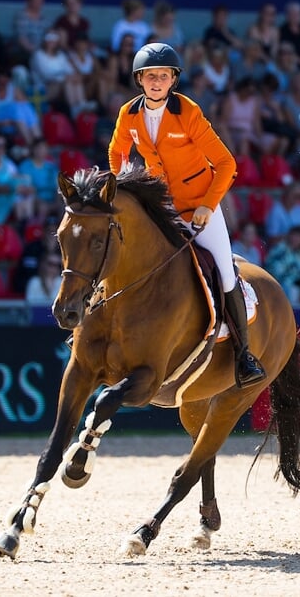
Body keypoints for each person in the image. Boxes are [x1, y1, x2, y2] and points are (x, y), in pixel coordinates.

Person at [107, 42, 265, 387]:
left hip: (199, 208)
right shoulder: (128, 115)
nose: (157, 81)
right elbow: (116, 151)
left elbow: (226, 163)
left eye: (163, 76)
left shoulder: (187, 112)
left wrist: (209, 206)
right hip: (161, 208)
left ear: (173, 80)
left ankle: (244, 357)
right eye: (150, 76)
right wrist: (120, 185)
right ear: (140, 80)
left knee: (225, 273)